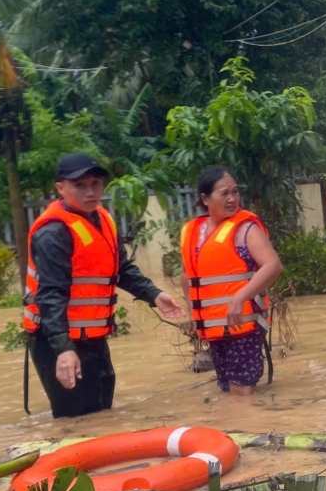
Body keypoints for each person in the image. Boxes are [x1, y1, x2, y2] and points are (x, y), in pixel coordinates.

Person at [23, 153, 185, 418]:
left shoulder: (103, 220)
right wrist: (63, 350)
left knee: (101, 413)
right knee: (78, 420)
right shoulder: (53, 232)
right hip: (57, 340)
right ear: (61, 188)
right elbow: (51, 295)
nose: (90, 192)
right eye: (80, 185)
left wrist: (154, 294)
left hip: (93, 338)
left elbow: (121, 269)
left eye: (95, 184)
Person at [180, 167, 283, 396]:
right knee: (227, 388)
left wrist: (241, 297)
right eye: (224, 193)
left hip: (244, 326)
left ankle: (250, 417)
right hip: (214, 327)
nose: (232, 199)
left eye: (235, 192)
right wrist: (192, 312)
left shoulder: (246, 229)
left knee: (240, 390)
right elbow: (186, 275)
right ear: (205, 199)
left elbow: (273, 265)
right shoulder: (193, 233)